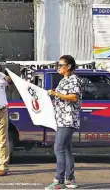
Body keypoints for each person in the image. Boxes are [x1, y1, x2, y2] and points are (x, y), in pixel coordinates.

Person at [46, 55, 82, 190]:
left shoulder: (74, 80)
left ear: (69, 66)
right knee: (66, 150)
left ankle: (59, 180)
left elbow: (74, 97)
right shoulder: (63, 81)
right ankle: (70, 179)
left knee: (58, 148)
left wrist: (56, 94)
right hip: (61, 119)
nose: (58, 67)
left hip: (68, 119)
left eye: (60, 65)